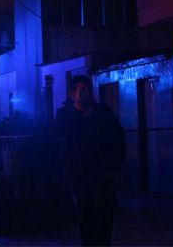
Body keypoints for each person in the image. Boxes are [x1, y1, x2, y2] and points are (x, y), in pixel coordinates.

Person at [55, 75, 125, 246]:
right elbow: (60, 143)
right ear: (73, 94)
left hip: (102, 174)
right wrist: (66, 170)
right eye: (82, 90)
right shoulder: (65, 116)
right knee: (85, 217)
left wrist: (114, 168)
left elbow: (118, 140)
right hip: (79, 175)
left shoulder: (104, 114)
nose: (86, 93)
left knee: (104, 217)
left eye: (88, 89)